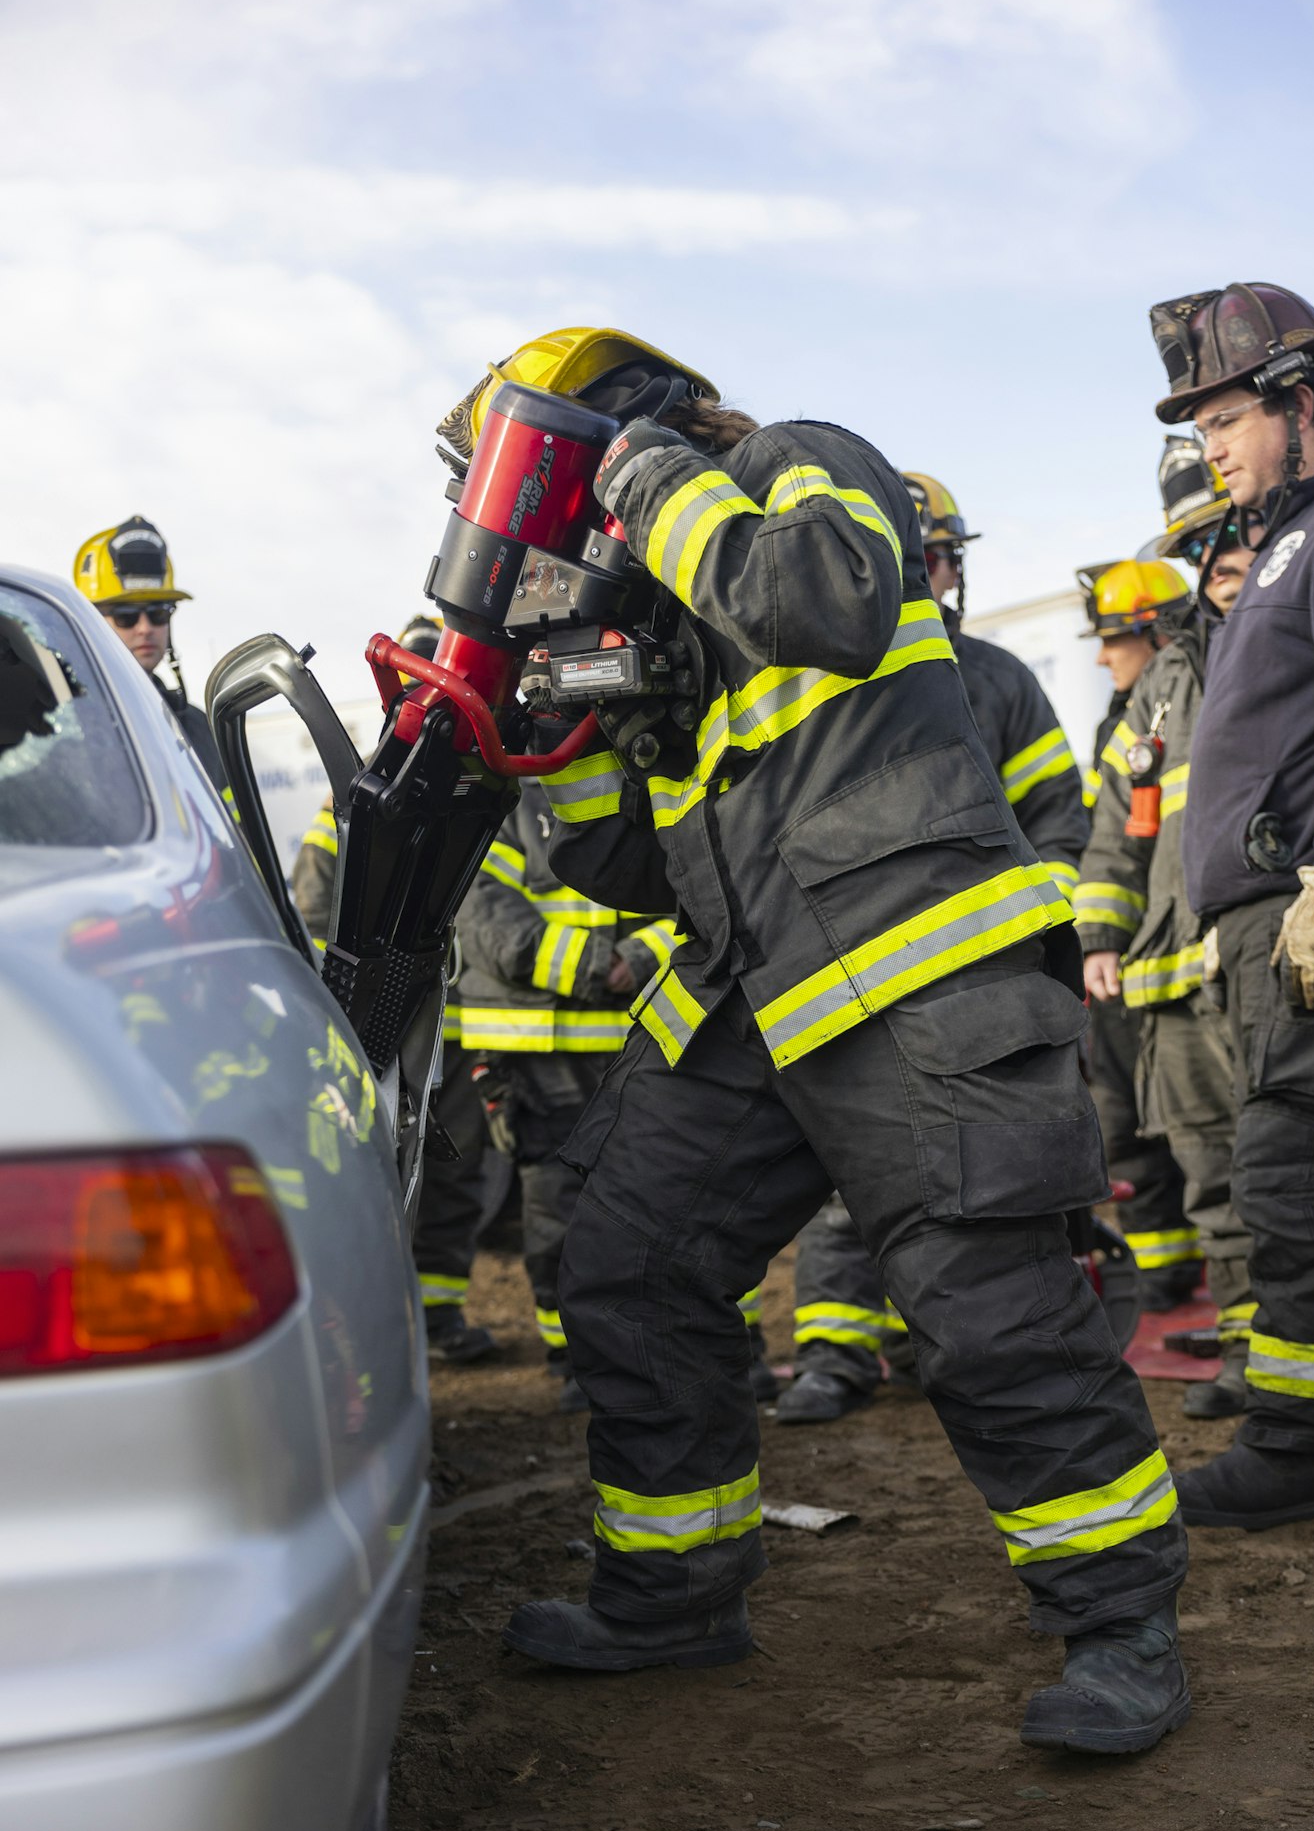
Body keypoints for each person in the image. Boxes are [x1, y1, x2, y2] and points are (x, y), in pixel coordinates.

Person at [437, 325, 1190, 1753]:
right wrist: (562, 744)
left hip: (914, 983)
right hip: (750, 999)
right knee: (628, 1271)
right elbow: (644, 871)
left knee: (988, 1317)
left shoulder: (792, 467)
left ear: (620, 433)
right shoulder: (664, 617)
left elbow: (828, 603)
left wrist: (651, 481)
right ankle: (673, 1594)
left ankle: (1120, 1624)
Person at [779, 472, 1087, 1423]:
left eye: (939, 556)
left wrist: (1031, 942)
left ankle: (937, 1347)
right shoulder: (825, 680)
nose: (929, 572)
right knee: (845, 1173)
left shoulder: (999, 681)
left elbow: (1059, 824)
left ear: (953, 568)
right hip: (846, 973)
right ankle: (834, 1351)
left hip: (975, 988)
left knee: (975, 1176)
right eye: (914, 556)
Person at [1145, 283, 1314, 1528]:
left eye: (1221, 415)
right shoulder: (1280, 536)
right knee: (1295, 1180)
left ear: (1296, 400)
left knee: (1293, 1183)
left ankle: (1297, 1447)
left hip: (1305, 914)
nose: (1203, 445)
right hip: (1261, 927)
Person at [1079, 445, 1257, 1420]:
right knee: (1213, 1182)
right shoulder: (1154, 693)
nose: (1224, 576)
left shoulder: (1281, 648)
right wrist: (1098, 936)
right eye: (1211, 563)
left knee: (1289, 1174)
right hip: (1174, 987)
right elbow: (1113, 831)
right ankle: (1254, 1359)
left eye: (1236, 560)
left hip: (1273, 966)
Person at [290, 615, 498, 1365]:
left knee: (453, 1169)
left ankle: (433, 1320)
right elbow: (319, 913)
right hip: (372, 1025)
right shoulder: (363, 806)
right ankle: (375, 1332)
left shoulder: (486, 790)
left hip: (460, 1019)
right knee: (376, 1174)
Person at [456, 778, 680, 1410]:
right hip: (537, 1047)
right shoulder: (504, 792)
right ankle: (576, 1356)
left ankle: (661, 1348)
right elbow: (481, 905)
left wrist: (639, 956)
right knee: (559, 1212)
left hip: (637, 1034)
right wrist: (591, 964)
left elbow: (697, 887)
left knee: (663, 1205)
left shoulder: (647, 778)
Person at [1073, 561, 1204, 1315]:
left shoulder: (1191, 701)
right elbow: (1112, 843)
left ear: (1155, 634)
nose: (1100, 657)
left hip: (1184, 953)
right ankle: (1166, 1269)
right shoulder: (1118, 725)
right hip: (1130, 959)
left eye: (1113, 640)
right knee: (1127, 1120)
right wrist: (1099, 937)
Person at [73, 515, 229, 797]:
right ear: (90, 623)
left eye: (158, 612)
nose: (145, 628)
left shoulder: (199, 727)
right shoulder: (64, 719)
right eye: (126, 616)